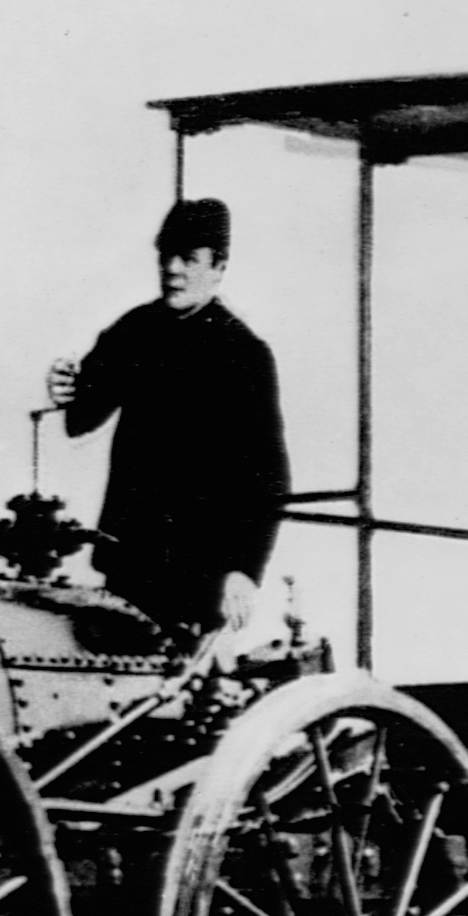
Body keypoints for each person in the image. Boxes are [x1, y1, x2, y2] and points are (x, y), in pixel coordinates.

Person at [48, 198, 291, 645]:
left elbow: (270, 477)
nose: (173, 270)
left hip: (201, 572)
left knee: (184, 697)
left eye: (189, 259)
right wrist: (65, 388)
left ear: (218, 268)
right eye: (167, 256)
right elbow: (83, 416)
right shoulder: (135, 330)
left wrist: (245, 570)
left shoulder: (245, 354)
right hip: (129, 560)